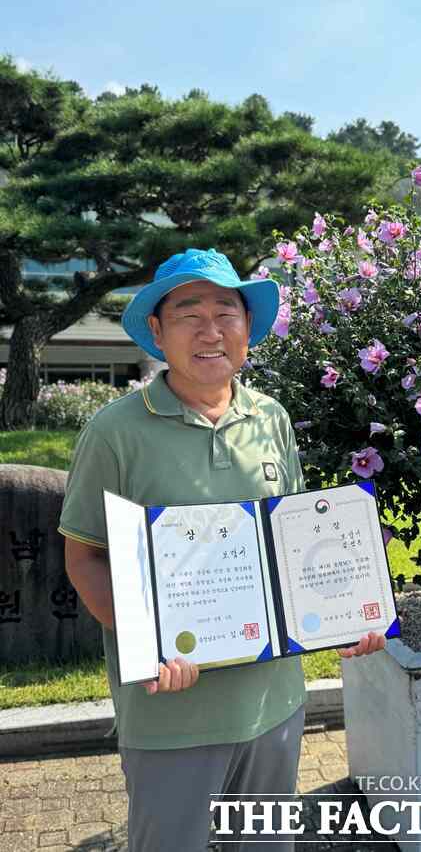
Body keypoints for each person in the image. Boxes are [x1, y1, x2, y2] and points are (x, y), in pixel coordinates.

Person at [58, 247, 385, 852]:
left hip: (275, 703)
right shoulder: (114, 432)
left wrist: (342, 615)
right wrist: (147, 644)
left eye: (226, 312)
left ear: (247, 328)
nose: (210, 331)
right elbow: (86, 557)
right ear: (157, 331)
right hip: (171, 715)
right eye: (189, 314)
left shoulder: (272, 418)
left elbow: (290, 542)